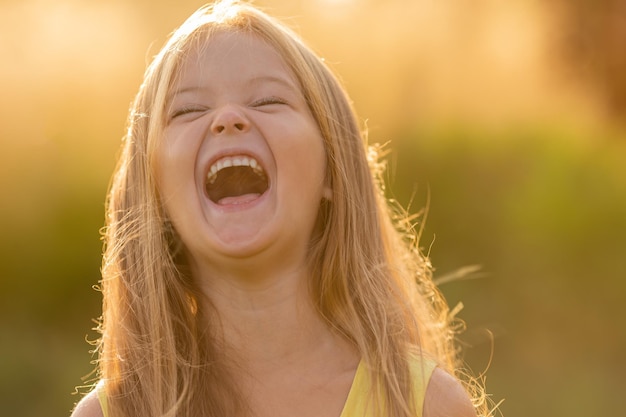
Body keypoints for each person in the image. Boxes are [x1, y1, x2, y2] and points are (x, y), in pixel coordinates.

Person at [71, 1, 490, 416]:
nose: (228, 118)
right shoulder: (114, 413)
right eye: (189, 110)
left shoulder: (426, 404)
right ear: (154, 193)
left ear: (332, 171)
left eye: (268, 101)